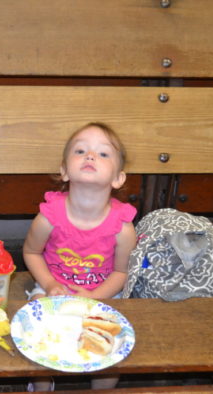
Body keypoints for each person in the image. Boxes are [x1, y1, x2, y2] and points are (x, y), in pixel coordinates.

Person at [23, 122, 137, 391]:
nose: (90, 156)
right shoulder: (49, 216)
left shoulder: (123, 227)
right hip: (56, 288)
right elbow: (30, 252)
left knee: (115, 345)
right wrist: (50, 285)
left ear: (118, 178)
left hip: (103, 292)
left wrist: (93, 297)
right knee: (34, 324)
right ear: (64, 171)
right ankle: (42, 383)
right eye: (81, 150)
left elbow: (122, 272)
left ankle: (101, 386)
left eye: (103, 154)